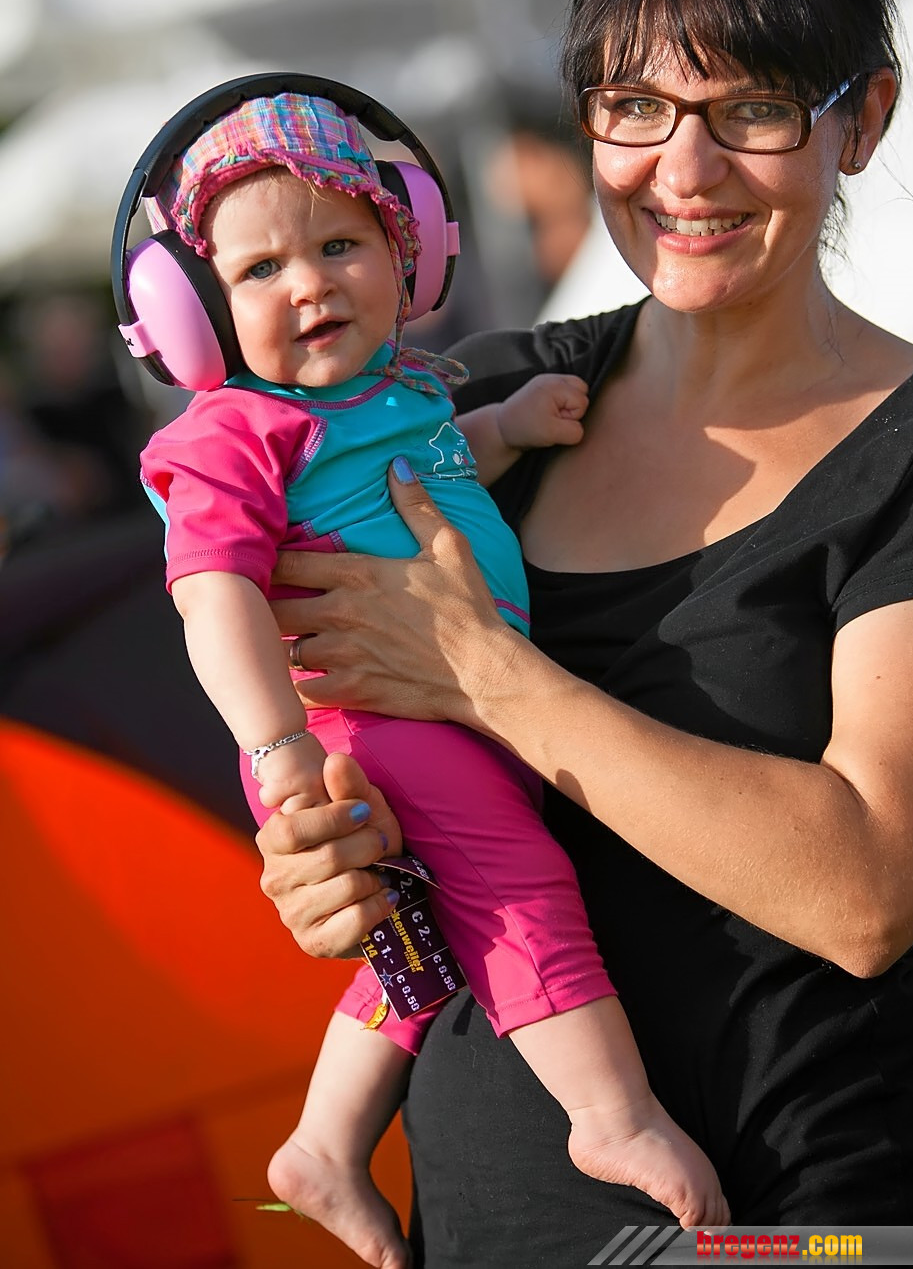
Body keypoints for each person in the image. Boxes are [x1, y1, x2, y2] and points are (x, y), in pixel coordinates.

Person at [251, 0, 913, 1261]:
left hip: (822, 1212)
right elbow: (362, 761)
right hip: (493, 1224)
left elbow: (867, 890)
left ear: (864, 119)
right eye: (635, 107)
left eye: (755, 109)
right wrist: (328, 873)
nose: (686, 171)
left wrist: (488, 675)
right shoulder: (477, 408)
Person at [136, 91, 729, 1268]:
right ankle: (610, 1117)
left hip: (438, 708)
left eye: (339, 245)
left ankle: (321, 1145)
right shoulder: (233, 431)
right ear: (191, 317)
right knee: (516, 884)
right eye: (260, 270)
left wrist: (505, 424)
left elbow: (443, 465)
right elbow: (213, 595)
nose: (309, 285)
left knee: (431, 931)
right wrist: (278, 746)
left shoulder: (404, 389)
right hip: (359, 720)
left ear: (408, 251)